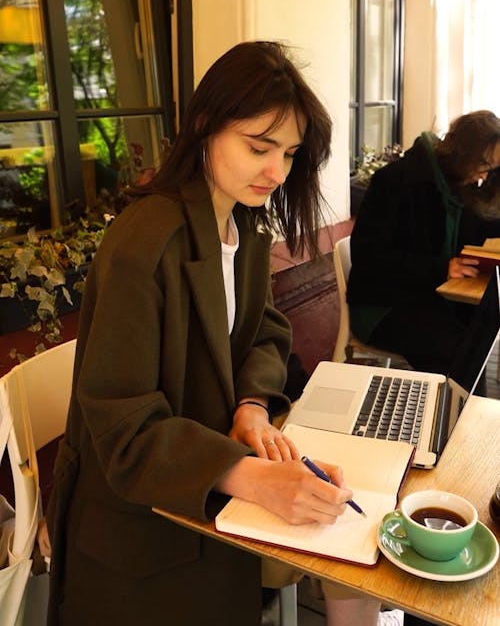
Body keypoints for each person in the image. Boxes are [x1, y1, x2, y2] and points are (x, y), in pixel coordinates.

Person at [46, 41, 383, 626]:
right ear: (205, 125)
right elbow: (124, 429)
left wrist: (252, 407)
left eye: (290, 153)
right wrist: (253, 478)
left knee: (358, 555)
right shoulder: (144, 243)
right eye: (259, 147)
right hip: (141, 531)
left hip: (205, 492)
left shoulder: (240, 225)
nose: (277, 172)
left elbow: (264, 332)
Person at [347, 110, 500, 375]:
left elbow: (484, 224)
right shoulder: (395, 181)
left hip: (428, 297)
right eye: (484, 166)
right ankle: (445, 409)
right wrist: (442, 268)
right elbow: (369, 257)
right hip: (381, 305)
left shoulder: (458, 185)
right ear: (463, 155)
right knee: (459, 349)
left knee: (480, 333)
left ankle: (462, 409)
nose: (484, 177)